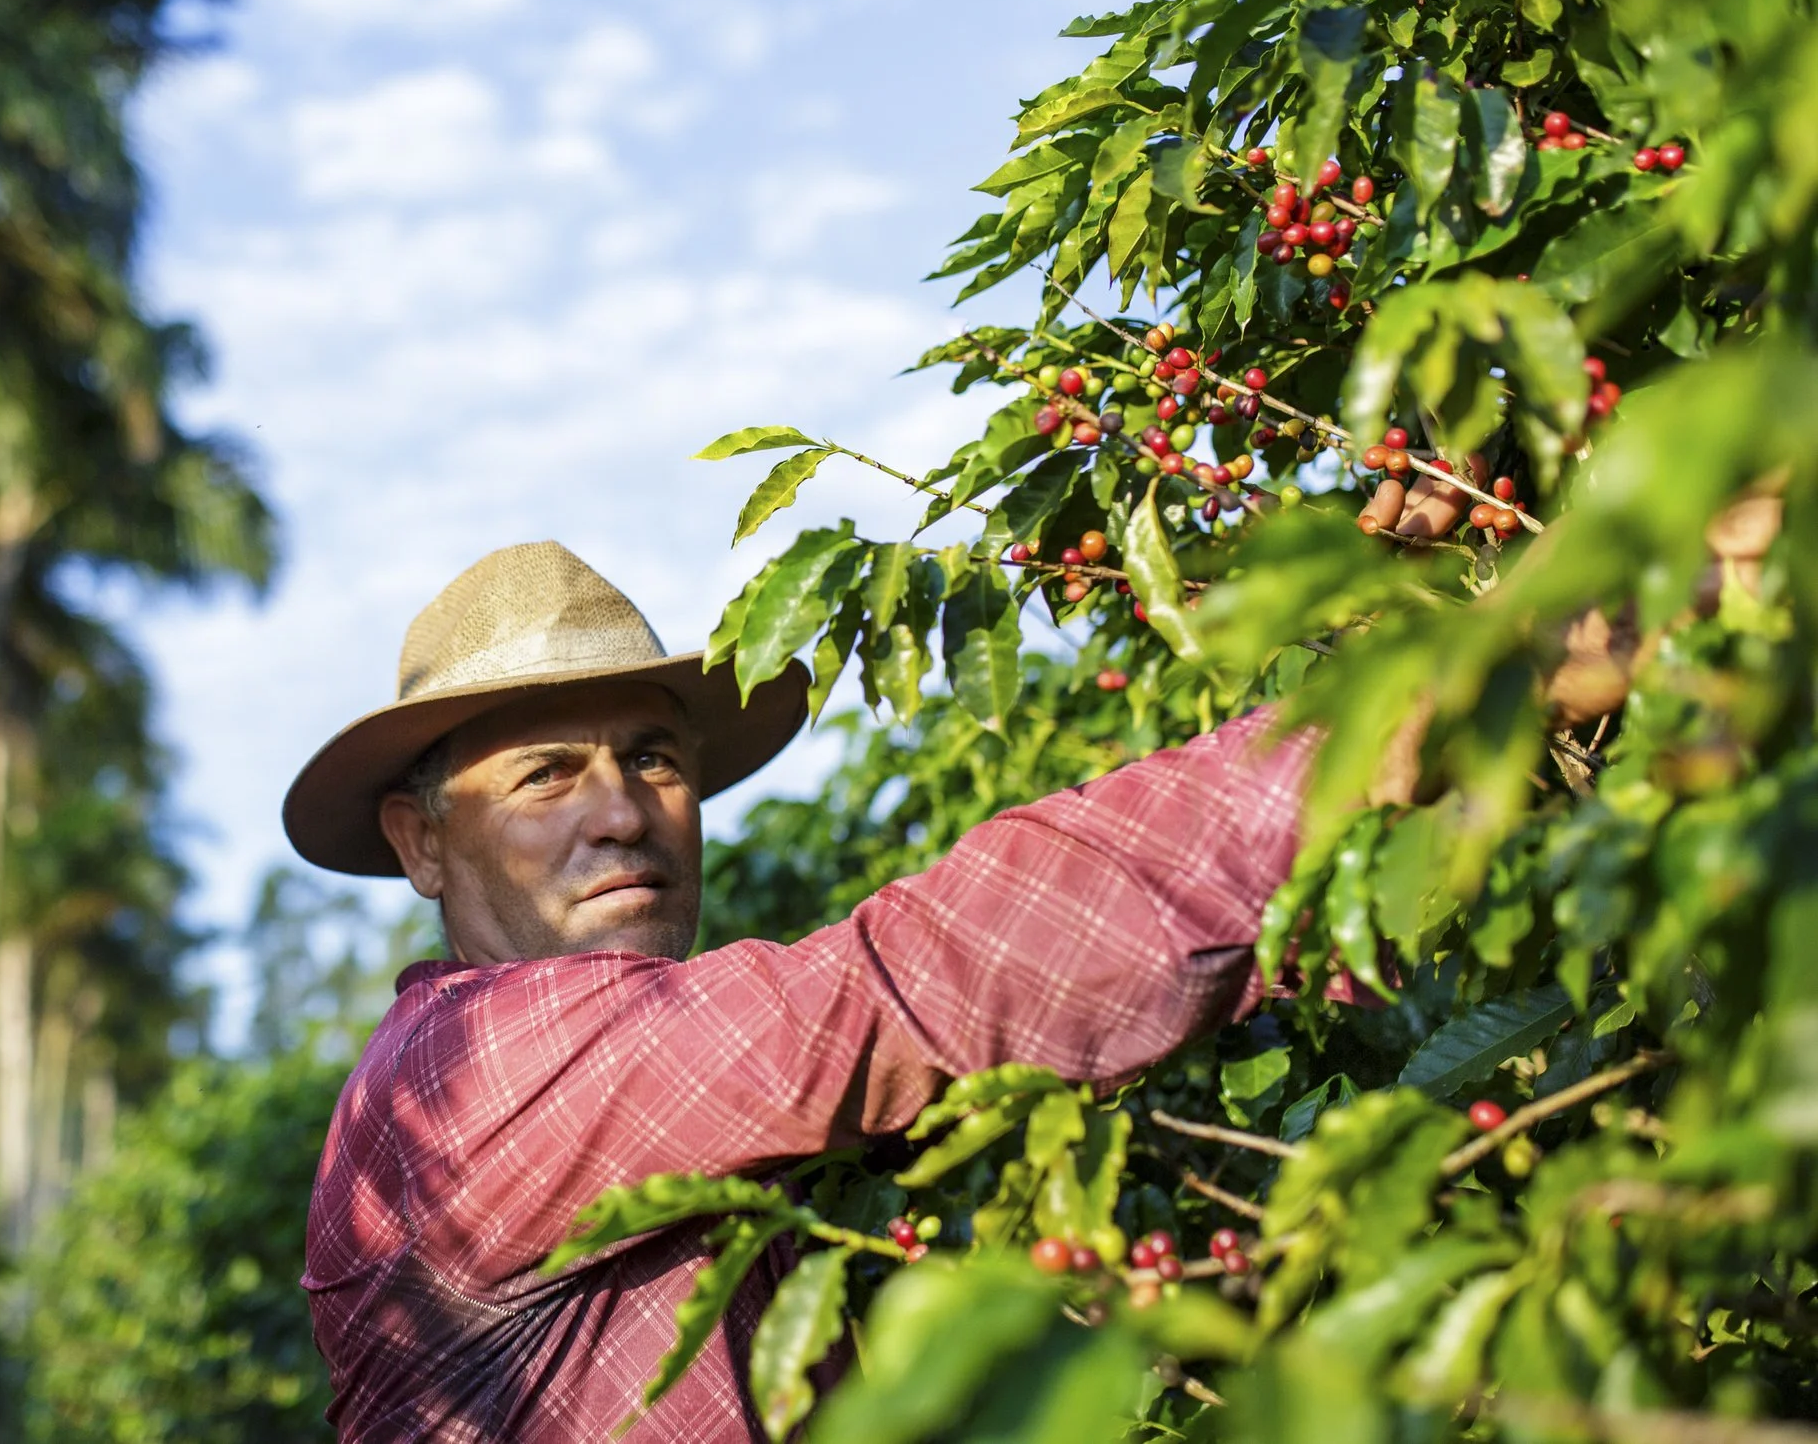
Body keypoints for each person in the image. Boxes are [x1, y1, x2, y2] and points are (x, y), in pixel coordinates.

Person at [281, 511, 1465, 1441]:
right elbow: (900, 990)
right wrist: (1387, 721)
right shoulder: (465, 1072)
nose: (621, 813)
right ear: (420, 841)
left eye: (652, 757)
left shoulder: (678, 1092)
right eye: (545, 774)